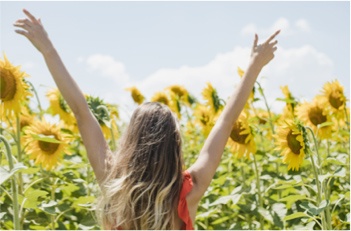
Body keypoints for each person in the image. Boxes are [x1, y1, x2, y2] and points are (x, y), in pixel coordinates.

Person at [14, 9, 279, 230]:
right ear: (174, 144)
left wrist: (47, 49)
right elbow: (225, 121)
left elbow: (81, 112)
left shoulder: (113, 182)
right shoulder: (188, 191)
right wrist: (255, 65)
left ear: (131, 141)